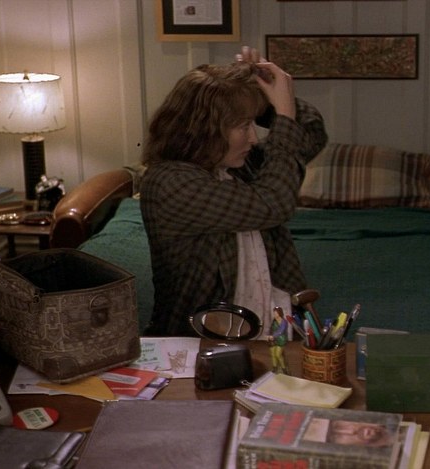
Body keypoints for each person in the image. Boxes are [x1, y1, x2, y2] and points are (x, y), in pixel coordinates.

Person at [140, 46, 327, 337]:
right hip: (203, 340)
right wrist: (283, 115)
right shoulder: (170, 183)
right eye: (243, 126)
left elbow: (311, 135)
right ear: (204, 129)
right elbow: (273, 204)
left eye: (252, 124)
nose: (254, 138)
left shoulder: (237, 166)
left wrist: (268, 100)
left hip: (275, 327)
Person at [268, 306, 289, 373]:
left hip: (281, 340)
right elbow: (271, 329)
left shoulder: (284, 322)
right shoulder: (274, 321)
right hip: (272, 340)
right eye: (274, 313)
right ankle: (274, 367)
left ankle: (284, 368)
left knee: (278, 354)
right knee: (273, 354)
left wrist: (273, 336)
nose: (274, 314)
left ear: (280, 313)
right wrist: (269, 336)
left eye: (276, 313)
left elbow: (281, 331)